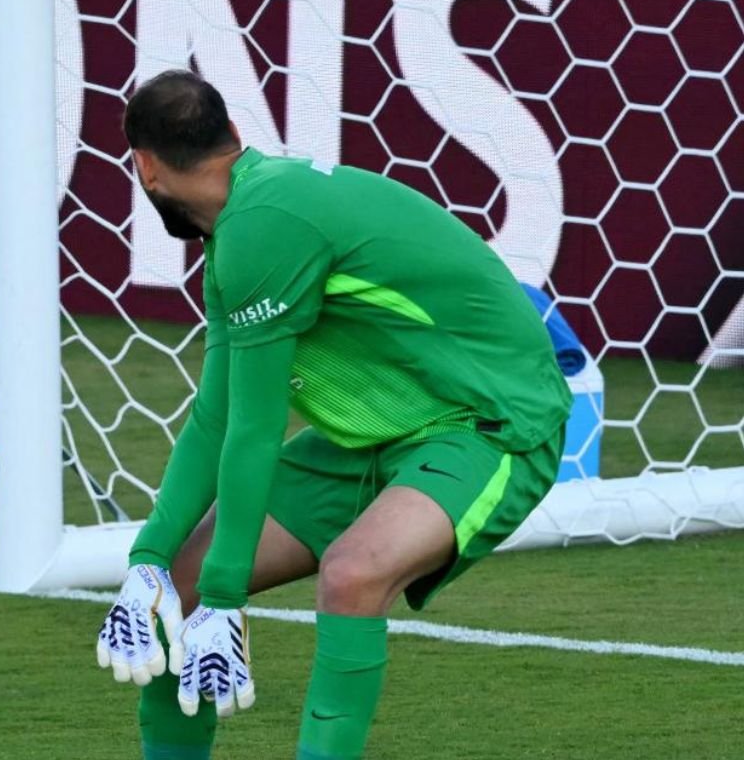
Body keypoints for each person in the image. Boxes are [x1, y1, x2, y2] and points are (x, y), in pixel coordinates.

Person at [95, 69, 572, 760]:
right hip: (377, 434)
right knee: (180, 588)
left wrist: (229, 596)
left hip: (490, 423)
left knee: (351, 573)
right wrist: (149, 562)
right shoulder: (243, 227)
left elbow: (258, 431)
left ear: (144, 166)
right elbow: (217, 418)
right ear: (232, 134)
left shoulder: (263, 227)